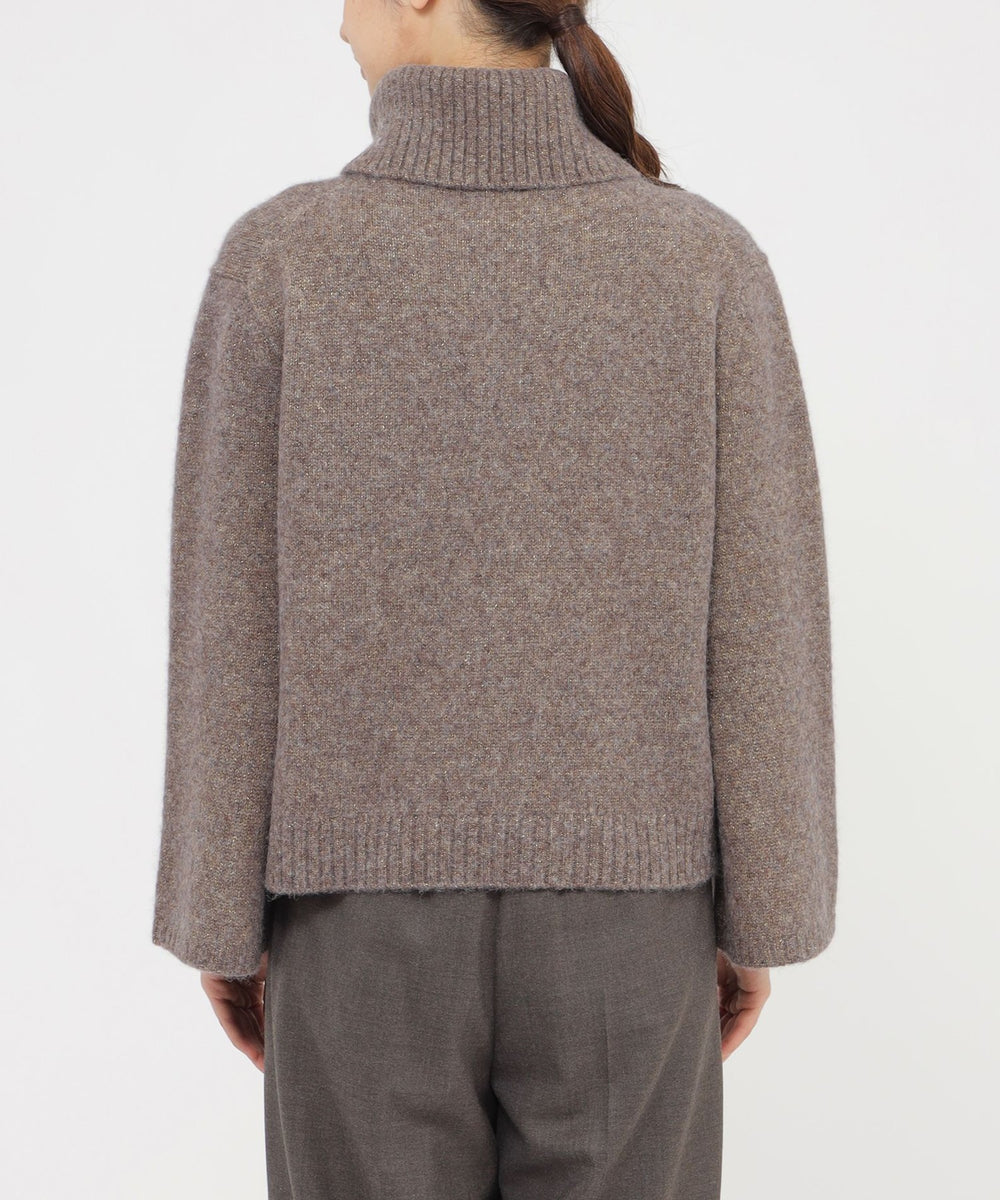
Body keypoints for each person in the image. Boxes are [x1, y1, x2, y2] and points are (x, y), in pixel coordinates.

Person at [151, 1, 838, 1197]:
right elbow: (762, 615)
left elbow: (228, 625)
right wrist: (764, 909)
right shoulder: (699, 259)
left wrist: (220, 912)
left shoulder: (281, 258)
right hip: (632, 928)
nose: (339, 20)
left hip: (351, 931)